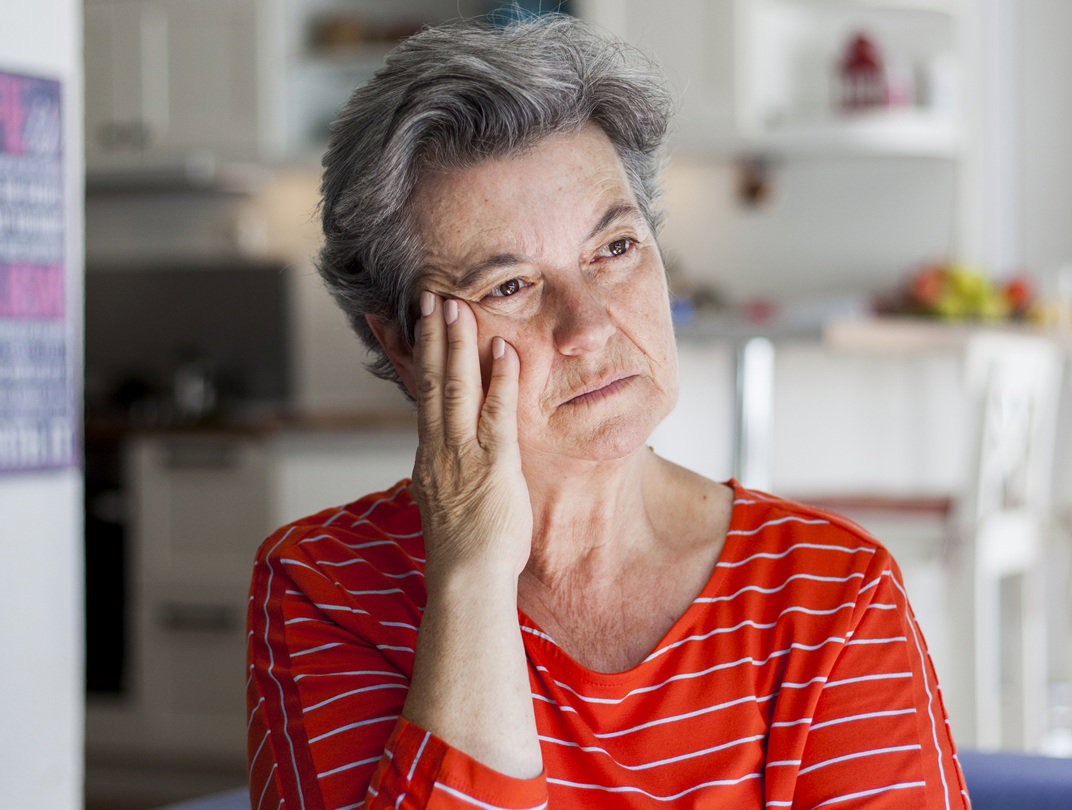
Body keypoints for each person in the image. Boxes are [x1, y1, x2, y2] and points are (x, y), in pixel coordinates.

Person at [246, 14, 969, 809]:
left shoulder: (833, 593)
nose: (589, 325)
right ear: (407, 346)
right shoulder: (324, 586)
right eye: (510, 286)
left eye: (615, 248)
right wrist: (472, 581)